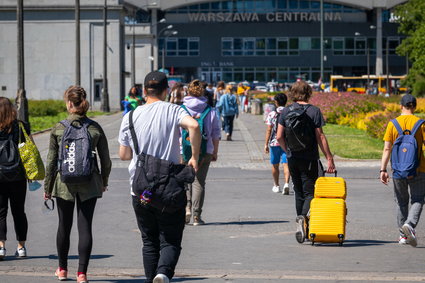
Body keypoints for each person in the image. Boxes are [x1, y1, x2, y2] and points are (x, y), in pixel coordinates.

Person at [118, 71, 201, 283]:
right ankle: (163, 273)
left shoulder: (130, 116)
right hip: (169, 187)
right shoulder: (174, 110)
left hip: (140, 188)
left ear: (144, 91)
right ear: (166, 91)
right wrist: (194, 158)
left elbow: (124, 154)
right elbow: (194, 125)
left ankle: (151, 278)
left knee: (148, 241)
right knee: (170, 239)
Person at [44, 86, 112, 283]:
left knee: (63, 226)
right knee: (85, 227)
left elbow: (51, 161)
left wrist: (48, 187)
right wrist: (104, 181)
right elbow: (106, 160)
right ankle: (82, 274)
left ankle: (62, 269)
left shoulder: (59, 128)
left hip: (63, 183)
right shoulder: (94, 128)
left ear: (69, 104)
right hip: (89, 183)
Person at [276, 80, 336, 244]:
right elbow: (320, 137)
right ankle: (303, 219)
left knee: (299, 192)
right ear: (308, 93)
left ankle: (300, 223)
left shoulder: (286, 111)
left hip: (292, 158)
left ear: (293, 94)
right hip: (310, 158)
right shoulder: (314, 111)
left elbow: (279, 136)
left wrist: (287, 150)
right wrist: (329, 158)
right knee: (310, 192)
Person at [380, 94, 425, 247]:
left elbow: (387, 148)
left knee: (401, 201)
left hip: (398, 168)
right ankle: (410, 225)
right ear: (415, 107)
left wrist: (382, 170)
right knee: (418, 199)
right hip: (419, 167)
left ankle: (402, 236)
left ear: (401, 106)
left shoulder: (393, 124)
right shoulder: (421, 124)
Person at [182, 80, 221, 226]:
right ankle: (197, 217)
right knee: (199, 183)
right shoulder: (210, 110)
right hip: (205, 150)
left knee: (185, 181)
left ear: (188, 92)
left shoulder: (181, 109)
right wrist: (215, 151)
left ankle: (186, 208)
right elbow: (216, 133)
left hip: (184, 150)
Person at [0, 97, 31, 259]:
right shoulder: (21, 126)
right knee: (19, 212)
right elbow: (29, 149)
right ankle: (21, 247)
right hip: (18, 175)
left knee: (0, 212)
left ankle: (1, 247)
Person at [264, 93, 291, 195]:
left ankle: (276, 185)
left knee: (275, 165)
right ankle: (286, 184)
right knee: (286, 164)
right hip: (286, 143)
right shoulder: (289, 113)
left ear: (276, 102)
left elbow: (269, 130)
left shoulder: (272, 114)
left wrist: (266, 144)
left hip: (274, 143)